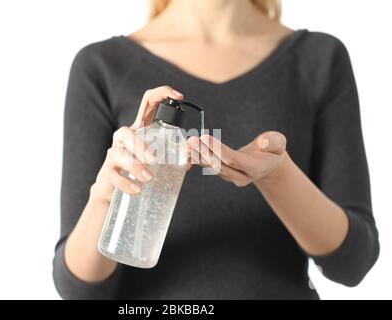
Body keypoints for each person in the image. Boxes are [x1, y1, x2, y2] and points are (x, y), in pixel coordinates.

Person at [52, 0, 380, 299]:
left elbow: (353, 262)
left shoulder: (319, 59)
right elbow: (79, 291)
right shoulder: (102, 67)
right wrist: (107, 195)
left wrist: (277, 176)